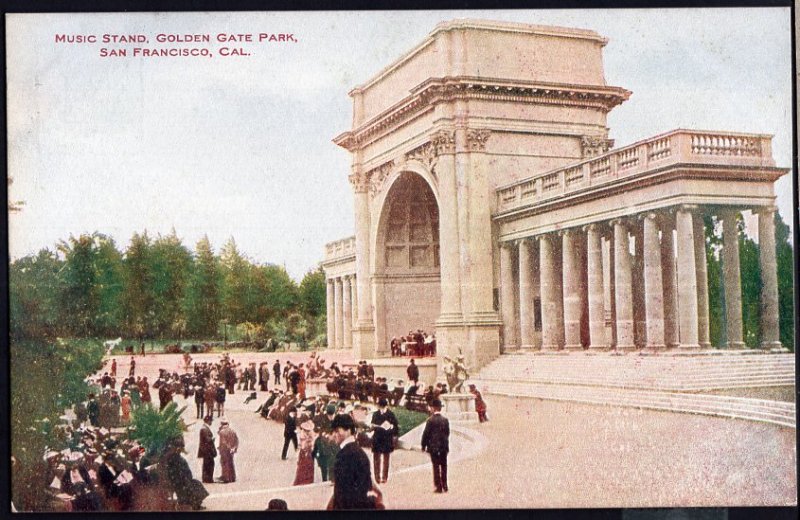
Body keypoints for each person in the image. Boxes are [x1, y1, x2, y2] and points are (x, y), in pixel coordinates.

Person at [327, 414, 383, 510]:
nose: (334, 435)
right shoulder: (360, 452)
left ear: (348, 430)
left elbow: (341, 493)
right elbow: (367, 480)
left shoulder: (343, 456)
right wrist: (379, 492)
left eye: (337, 431)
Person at [164, 437, 208, 510]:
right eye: (181, 447)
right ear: (177, 447)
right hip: (179, 481)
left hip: (183, 480)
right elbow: (175, 472)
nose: (182, 449)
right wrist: (185, 479)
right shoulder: (172, 457)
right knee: (193, 486)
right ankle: (194, 505)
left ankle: (196, 504)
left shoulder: (175, 455)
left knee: (197, 484)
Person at [421, 398, 450, 493]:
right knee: (444, 465)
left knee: (436, 466)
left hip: (433, 446)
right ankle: (445, 484)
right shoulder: (445, 420)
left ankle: (438, 486)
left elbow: (426, 434)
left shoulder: (430, 420)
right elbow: (447, 433)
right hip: (443, 446)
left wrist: (423, 445)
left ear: (433, 408)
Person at [370, 398, 399, 484]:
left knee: (386, 459)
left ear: (386, 406)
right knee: (376, 458)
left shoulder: (391, 414)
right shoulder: (375, 414)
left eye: (383, 407)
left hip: (386, 438)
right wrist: (375, 426)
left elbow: (395, 427)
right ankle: (377, 477)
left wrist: (390, 428)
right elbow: (372, 424)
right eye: (380, 407)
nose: (381, 409)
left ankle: (384, 477)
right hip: (377, 438)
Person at [293, 420, 316, 485]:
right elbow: (300, 445)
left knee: (307, 466)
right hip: (304, 452)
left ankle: (307, 481)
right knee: (302, 467)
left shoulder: (310, 434)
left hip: (308, 452)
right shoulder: (302, 434)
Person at [198, 416, 217, 484]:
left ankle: (206, 478)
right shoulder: (204, 429)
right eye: (211, 421)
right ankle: (208, 478)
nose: (211, 422)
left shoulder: (204, 428)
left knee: (207, 464)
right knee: (209, 464)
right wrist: (212, 439)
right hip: (207, 450)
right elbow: (207, 439)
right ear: (208, 421)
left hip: (206, 450)